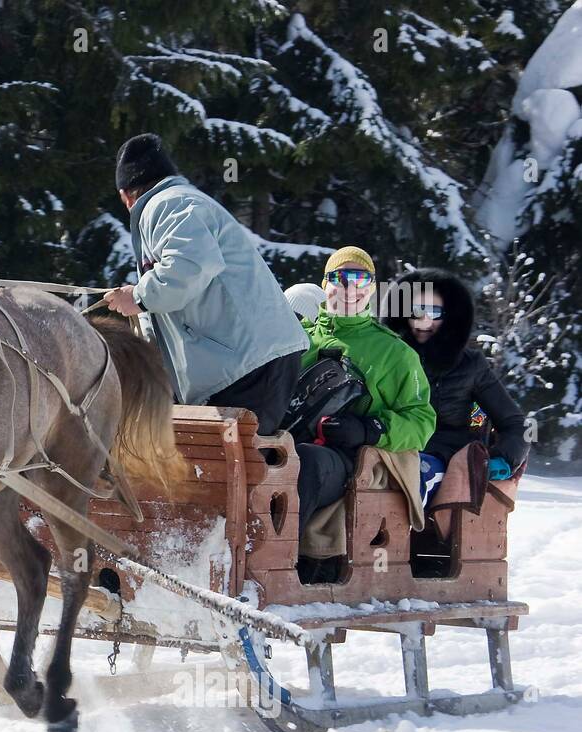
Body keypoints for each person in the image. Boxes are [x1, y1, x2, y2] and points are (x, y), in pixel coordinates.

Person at [101, 134, 307, 434]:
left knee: (217, 468)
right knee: (222, 464)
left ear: (125, 194)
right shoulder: (180, 201)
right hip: (251, 360)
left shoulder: (168, 204)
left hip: (247, 364)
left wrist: (139, 296)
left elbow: (190, 266)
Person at [295, 246, 436, 527]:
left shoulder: (395, 353)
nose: (349, 288)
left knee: (304, 462)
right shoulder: (299, 340)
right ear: (325, 285)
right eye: (339, 278)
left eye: (359, 279)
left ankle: (276, 561)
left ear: (371, 288)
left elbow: (422, 421)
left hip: (351, 460)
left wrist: (370, 430)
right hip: (288, 439)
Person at [381, 268, 528, 503]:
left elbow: (515, 423)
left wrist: (500, 459)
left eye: (434, 312)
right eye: (417, 310)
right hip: (390, 448)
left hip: (442, 455)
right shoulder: (387, 361)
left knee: (412, 477)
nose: (424, 320)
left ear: (449, 317)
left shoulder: (470, 366)